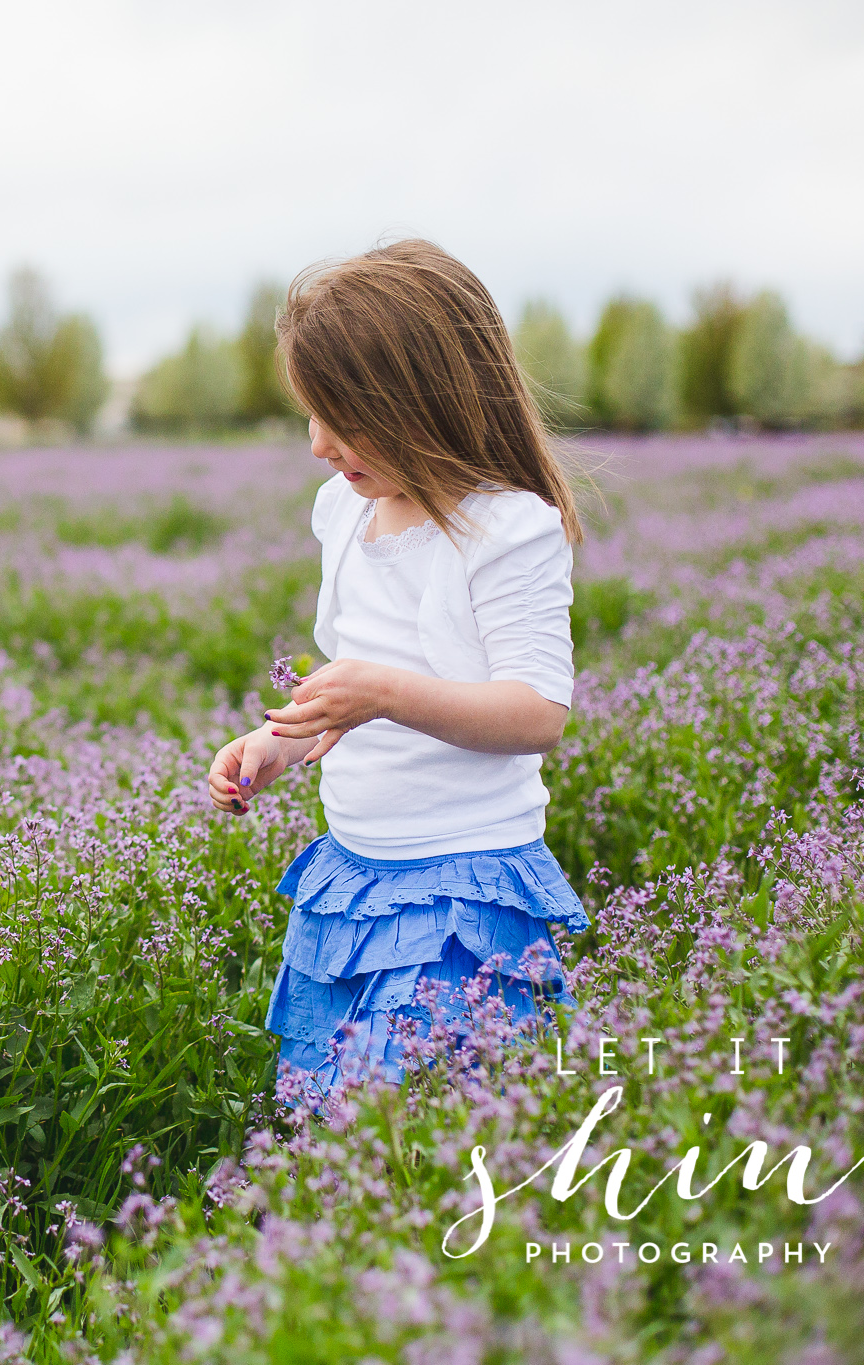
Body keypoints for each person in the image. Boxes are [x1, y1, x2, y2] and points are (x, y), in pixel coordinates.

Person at [207, 239, 588, 1088]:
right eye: (312, 413)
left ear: (428, 403)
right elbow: (348, 695)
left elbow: (537, 712)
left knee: (410, 1120)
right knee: (326, 1116)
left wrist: (383, 693)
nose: (317, 443)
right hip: (355, 878)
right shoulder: (344, 511)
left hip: (462, 890)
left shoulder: (507, 528)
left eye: (341, 417)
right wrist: (280, 742)